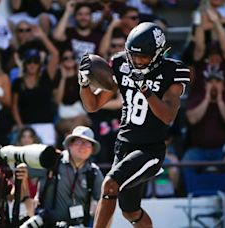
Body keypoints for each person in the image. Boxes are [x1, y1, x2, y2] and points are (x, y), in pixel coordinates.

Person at [78, 22, 190, 227]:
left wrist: (145, 89)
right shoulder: (121, 63)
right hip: (123, 147)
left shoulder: (172, 70)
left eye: (144, 56)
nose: (137, 61)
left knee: (110, 185)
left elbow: (168, 116)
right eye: (134, 55)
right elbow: (93, 105)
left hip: (150, 150)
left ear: (158, 54)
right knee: (131, 212)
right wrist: (85, 84)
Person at [22, 126, 104, 227]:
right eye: (78, 142)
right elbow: (21, 172)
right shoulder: (52, 160)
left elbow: (104, 203)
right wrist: (26, 200)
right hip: (45, 224)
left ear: (92, 149)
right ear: (70, 144)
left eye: (87, 143)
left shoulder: (94, 172)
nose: (82, 147)